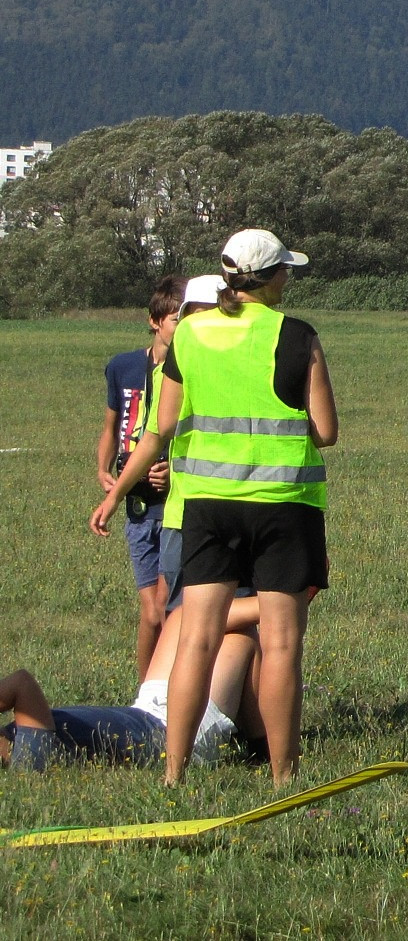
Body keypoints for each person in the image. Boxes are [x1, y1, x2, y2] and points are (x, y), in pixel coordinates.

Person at [90, 227, 336, 787]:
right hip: (282, 504)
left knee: (195, 640)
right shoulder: (297, 335)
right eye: (286, 270)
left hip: (204, 506)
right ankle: (283, 776)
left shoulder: (191, 333)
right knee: (281, 644)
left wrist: (116, 491)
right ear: (272, 277)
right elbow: (325, 430)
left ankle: (173, 773)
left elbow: (161, 428)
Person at [2, 600, 265, 771]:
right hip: (175, 738)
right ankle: (263, 749)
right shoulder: (27, 756)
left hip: (145, 713)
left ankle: (280, 602)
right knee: (242, 639)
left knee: (185, 616)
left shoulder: (17, 737)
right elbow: (21, 684)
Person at [96, 275, 185, 678]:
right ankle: (145, 690)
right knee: (151, 613)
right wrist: (104, 470)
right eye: (175, 319)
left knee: (167, 605)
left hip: (174, 504)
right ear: (154, 321)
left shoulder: (190, 370)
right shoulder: (123, 367)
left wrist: (174, 473)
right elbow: (111, 426)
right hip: (137, 502)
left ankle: (166, 688)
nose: (181, 327)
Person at [155, 275, 231, 613]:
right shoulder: (174, 365)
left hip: (226, 505)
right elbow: (159, 431)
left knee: (201, 612)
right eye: (193, 315)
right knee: (180, 608)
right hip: (183, 507)